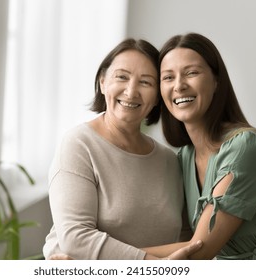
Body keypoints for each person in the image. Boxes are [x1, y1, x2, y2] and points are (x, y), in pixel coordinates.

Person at [143, 32, 256, 259]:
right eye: (168, 77)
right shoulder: (184, 158)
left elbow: (199, 249)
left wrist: (101, 256)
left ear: (216, 81)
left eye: (191, 73)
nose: (179, 85)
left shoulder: (243, 147)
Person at [43, 38, 200, 260]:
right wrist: (155, 266)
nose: (131, 91)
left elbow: (184, 238)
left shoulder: (169, 160)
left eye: (146, 82)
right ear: (102, 82)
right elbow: (76, 238)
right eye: (122, 77)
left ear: (158, 96)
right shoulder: (79, 145)